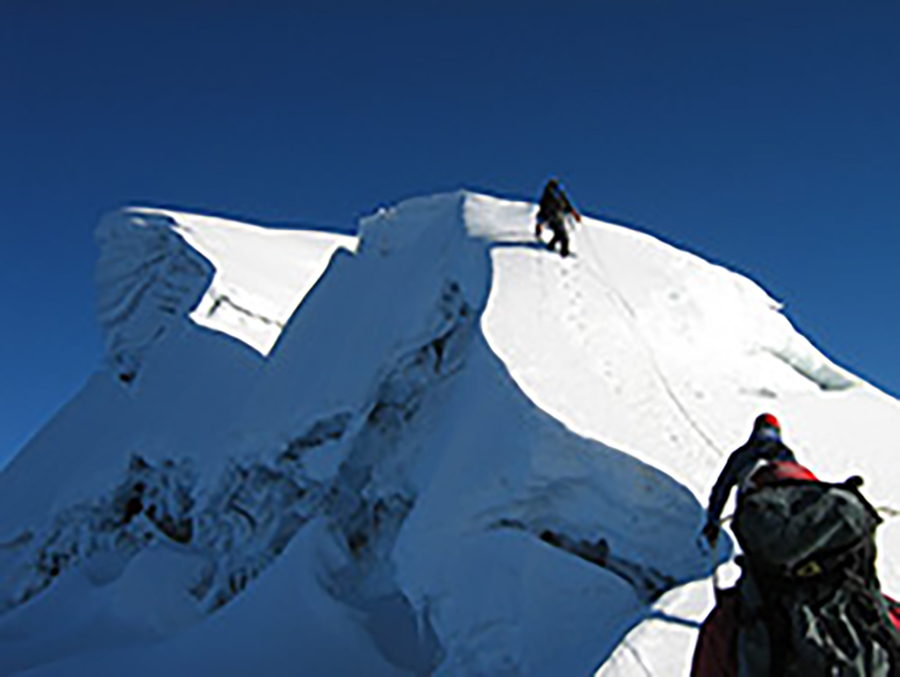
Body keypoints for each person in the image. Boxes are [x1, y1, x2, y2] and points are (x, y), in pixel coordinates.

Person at [702, 413, 800, 546]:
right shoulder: (785, 454)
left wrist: (713, 520)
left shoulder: (742, 454)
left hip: (749, 514)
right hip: (783, 518)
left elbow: (722, 487)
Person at [535, 179, 581, 257]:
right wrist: (574, 214)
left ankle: (551, 247)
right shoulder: (556, 195)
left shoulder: (551, 195)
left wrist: (539, 223)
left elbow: (542, 209)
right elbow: (567, 206)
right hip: (555, 217)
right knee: (564, 237)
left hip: (553, 217)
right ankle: (564, 254)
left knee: (558, 234)